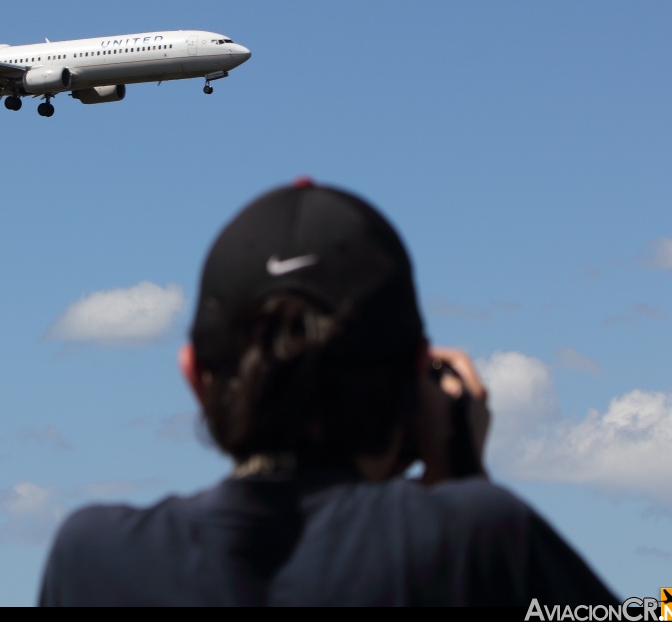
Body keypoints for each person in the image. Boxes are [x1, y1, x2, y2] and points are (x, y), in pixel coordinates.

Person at [38, 180, 617, 606]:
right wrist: (460, 483)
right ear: (418, 373)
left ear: (195, 376)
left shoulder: (91, 558)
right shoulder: (486, 538)